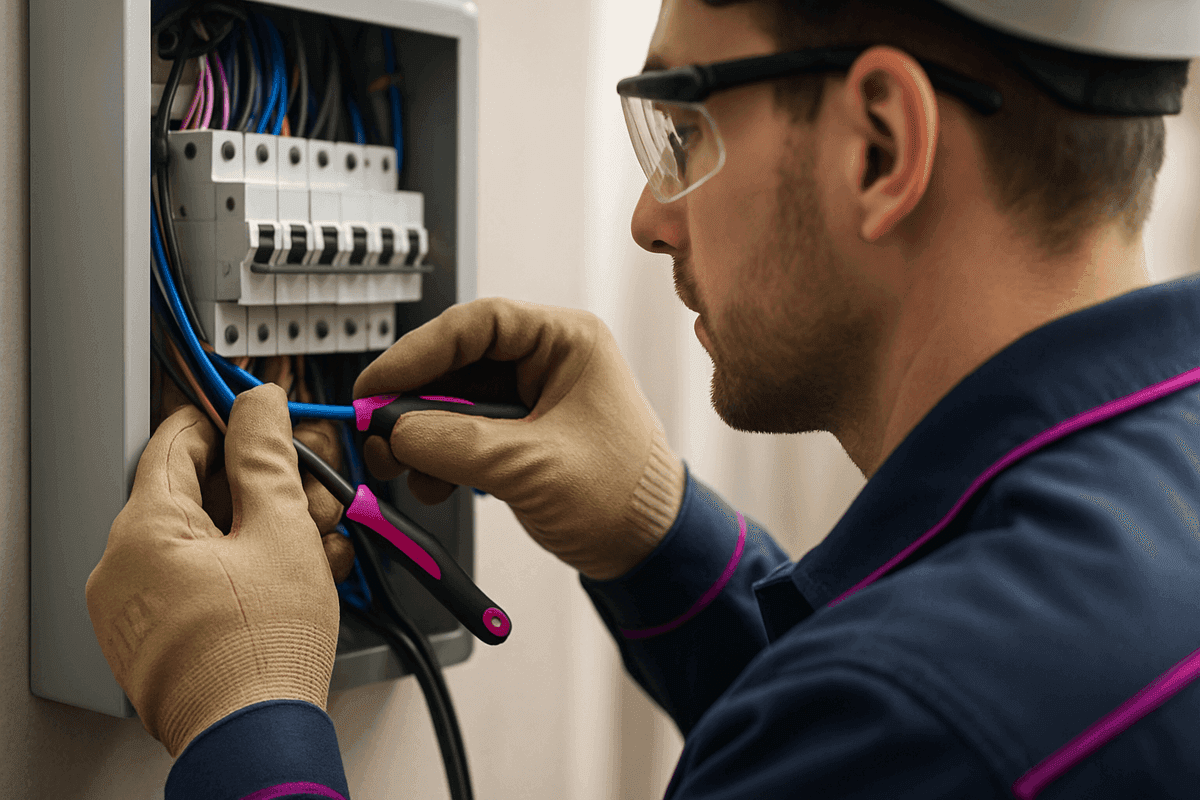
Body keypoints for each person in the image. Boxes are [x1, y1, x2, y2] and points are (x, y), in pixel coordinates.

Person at [85, 0, 1200, 797]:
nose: (650, 219)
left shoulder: (915, 716)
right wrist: (661, 534)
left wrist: (253, 730)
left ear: (879, 146)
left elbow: (888, 723)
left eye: (681, 128)